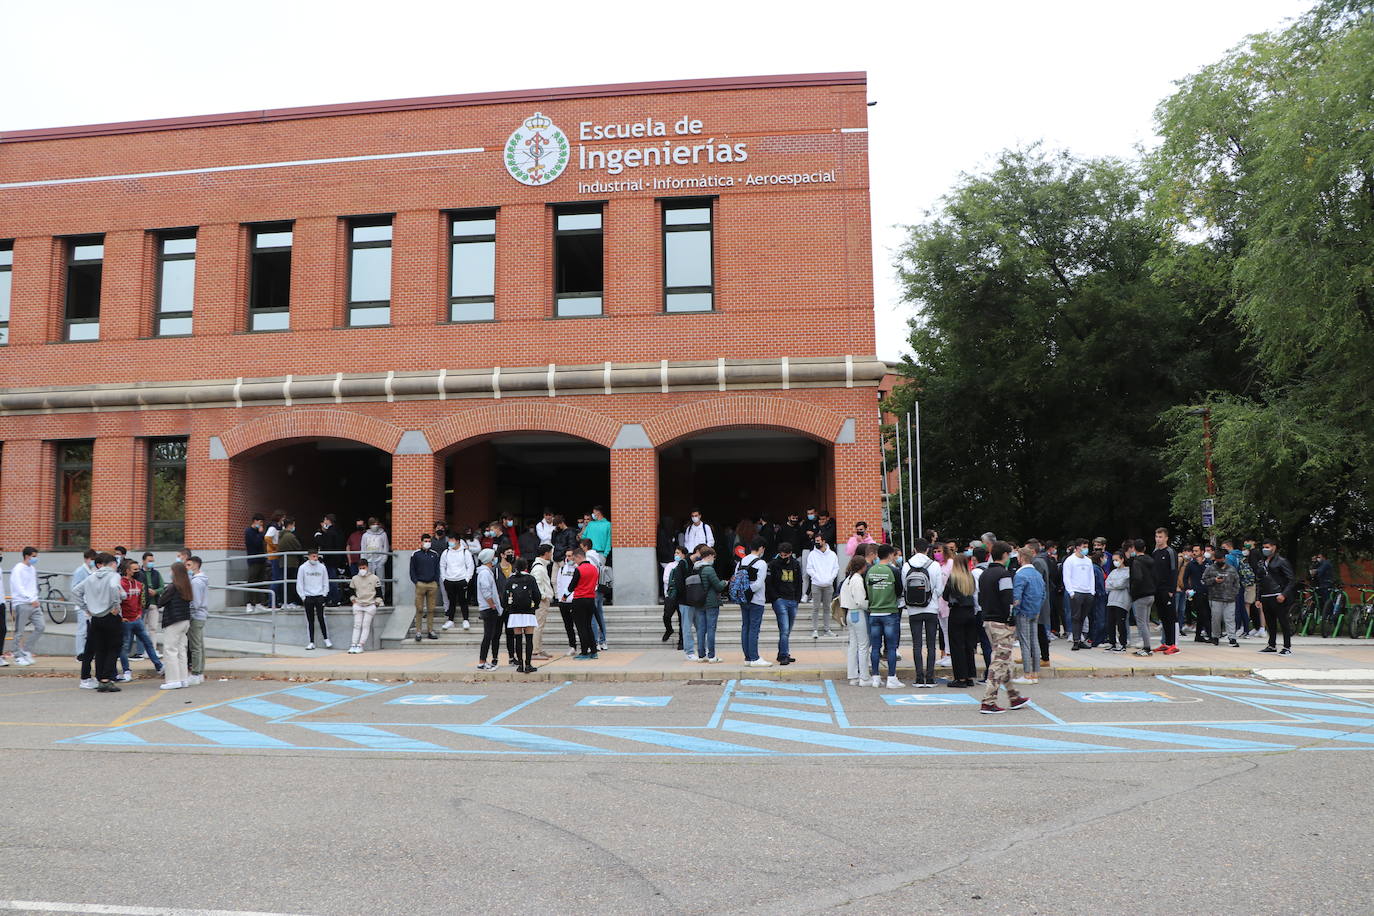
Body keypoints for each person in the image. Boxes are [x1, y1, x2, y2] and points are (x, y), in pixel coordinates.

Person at [978, 541, 1030, 714]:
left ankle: (1013, 696)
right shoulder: (1004, 575)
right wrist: (1011, 620)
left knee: (1004, 659)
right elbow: (1007, 599)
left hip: (988, 620)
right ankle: (988, 701)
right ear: (1006, 555)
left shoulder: (985, 574)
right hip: (1001, 622)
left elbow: (981, 598)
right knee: (1000, 661)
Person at [72, 552, 123, 692]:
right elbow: (114, 588)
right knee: (114, 647)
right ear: (113, 564)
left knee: (100, 649)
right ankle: (106, 679)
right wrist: (116, 606)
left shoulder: (91, 577)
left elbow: (75, 591)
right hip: (110, 615)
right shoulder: (114, 575)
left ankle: (101, 678)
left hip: (95, 617)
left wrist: (85, 608)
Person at [898, 538, 942, 686]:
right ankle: (930, 678)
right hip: (931, 608)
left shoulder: (906, 565)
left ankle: (918, 678)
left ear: (915, 549)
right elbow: (940, 588)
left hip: (913, 610)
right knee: (931, 644)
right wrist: (932, 597)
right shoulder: (934, 565)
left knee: (917, 644)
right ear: (928, 550)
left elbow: (905, 586)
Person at [116, 559, 161, 683]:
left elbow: (142, 602)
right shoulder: (121, 584)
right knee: (124, 647)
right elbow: (116, 601)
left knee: (148, 643)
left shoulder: (139, 584)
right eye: (135, 569)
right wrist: (120, 617)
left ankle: (159, 667)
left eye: (138, 569)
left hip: (137, 619)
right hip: (125, 621)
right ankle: (126, 671)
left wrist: (139, 614)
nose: (138, 571)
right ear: (127, 571)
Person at [865, 544, 903, 688]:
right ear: (891, 555)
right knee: (891, 647)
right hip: (889, 612)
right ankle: (891, 678)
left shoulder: (870, 570)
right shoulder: (893, 571)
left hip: (874, 612)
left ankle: (875, 677)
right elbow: (899, 591)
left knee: (875, 647)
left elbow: (867, 589)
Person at [155, 562, 195, 689]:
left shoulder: (172, 587)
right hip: (185, 620)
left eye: (171, 571)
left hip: (173, 620)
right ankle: (184, 678)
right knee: (181, 650)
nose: (170, 573)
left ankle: (173, 680)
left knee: (170, 650)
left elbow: (160, 602)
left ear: (175, 573)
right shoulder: (186, 586)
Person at [1011, 546, 1046, 685]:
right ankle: (1035, 674)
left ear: (1021, 558)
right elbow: (1043, 594)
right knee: (1034, 641)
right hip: (1035, 611)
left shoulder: (1020, 575)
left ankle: (1027, 674)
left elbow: (1017, 597)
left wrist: (1015, 610)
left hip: (1023, 611)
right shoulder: (1037, 574)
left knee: (1024, 642)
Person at [943, 555, 979, 688]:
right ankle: (970, 675)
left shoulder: (953, 578)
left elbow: (945, 595)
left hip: (957, 612)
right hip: (970, 612)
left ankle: (960, 677)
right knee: (969, 645)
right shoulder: (970, 577)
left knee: (957, 645)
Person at [766, 542, 803, 665]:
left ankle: (783, 652)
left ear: (790, 554)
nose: (783, 557)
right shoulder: (773, 564)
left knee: (787, 630)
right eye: (781, 555)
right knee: (785, 629)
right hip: (780, 600)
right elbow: (769, 583)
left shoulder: (796, 564)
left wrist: (797, 598)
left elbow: (799, 582)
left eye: (785, 555)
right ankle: (783, 655)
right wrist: (775, 598)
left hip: (792, 599)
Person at [1257, 539, 1296, 655]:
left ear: (1274, 547)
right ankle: (1271, 645)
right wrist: (1258, 598)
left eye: (1267, 547)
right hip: (1266, 596)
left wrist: (1284, 594)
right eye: (1264, 547)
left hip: (1278, 596)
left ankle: (1287, 646)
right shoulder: (1262, 562)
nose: (1265, 549)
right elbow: (1259, 580)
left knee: (1283, 621)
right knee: (1270, 622)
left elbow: (1291, 580)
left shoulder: (1281, 561)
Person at [688, 546, 726, 663]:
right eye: (713, 556)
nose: (713, 559)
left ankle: (701, 655)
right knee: (710, 629)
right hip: (710, 602)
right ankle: (712, 656)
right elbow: (718, 586)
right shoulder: (709, 569)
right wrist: (725, 582)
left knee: (700, 629)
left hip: (698, 601)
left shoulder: (695, 568)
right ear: (709, 556)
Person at [503, 558, 540, 674]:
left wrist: (508, 608)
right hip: (528, 611)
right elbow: (537, 595)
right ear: (526, 567)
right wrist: (535, 607)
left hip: (514, 612)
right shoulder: (530, 579)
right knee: (529, 639)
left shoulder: (510, 580)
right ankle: (528, 664)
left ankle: (520, 664)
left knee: (517, 639)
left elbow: (504, 597)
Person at [738, 538, 770, 667]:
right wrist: (749, 590)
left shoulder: (741, 560)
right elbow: (759, 583)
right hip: (756, 599)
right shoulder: (761, 563)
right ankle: (754, 657)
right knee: (754, 629)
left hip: (743, 599)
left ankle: (747, 657)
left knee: (745, 627)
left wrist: (743, 592)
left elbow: (737, 578)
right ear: (761, 548)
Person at [839, 554, 870, 686]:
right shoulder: (857, 579)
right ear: (863, 567)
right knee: (863, 646)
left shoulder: (848, 579)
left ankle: (853, 676)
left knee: (853, 645)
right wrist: (869, 606)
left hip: (849, 613)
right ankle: (864, 677)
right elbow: (861, 601)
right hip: (858, 613)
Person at [566, 547, 602, 660]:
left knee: (581, 627)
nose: (574, 561)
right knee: (588, 626)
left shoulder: (579, 569)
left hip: (579, 600)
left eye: (574, 558)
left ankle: (584, 652)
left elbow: (571, 586)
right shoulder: (594, 569)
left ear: (579, 556)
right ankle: (594, 651)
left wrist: (563, 596)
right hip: (591, 599)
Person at [9, 547, 42, 666]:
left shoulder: (32, 569)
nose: (35, 558)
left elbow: (33, 585)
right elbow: (19, 586)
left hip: (34, 603)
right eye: (34, 556)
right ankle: (17, 655)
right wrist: (30, 598)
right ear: (27, 556)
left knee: (41, 626)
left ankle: (26, 650)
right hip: (21, 603)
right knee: (19, 631)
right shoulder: (18, 569)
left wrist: (35, 598)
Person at [1125, 540, 1157, 657]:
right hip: (1151, 594)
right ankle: (1147, 645)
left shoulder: (1136, 562)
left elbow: (1137, 578)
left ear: (1134, 548)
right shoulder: (1151, 560)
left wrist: (1133, 591)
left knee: (1141, 622)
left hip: (1140, 595)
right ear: (1144, 548)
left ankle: (1147, 648)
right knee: (1146, 622)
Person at [296, 548, 332, 649]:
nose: (315, 558)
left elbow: (325, 581)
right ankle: (311, 641)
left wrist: (324, 594)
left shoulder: (322, 567)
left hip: (319, 596)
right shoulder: (303, 568)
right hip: (308, 596)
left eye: (316, 556)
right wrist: (303, 597)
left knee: (321, 618)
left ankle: (326, 639)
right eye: (313, 556)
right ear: (308, 556)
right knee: (310, 620)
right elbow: (300, 583)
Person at [1062, 539, 1095, 650]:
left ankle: (1080, 639)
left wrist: (1092, 591)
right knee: (1076, 617)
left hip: (1087, 593)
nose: (1086, 549)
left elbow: (1091, 577)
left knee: (1083, 617)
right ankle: (1076, 640)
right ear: (1077, 548)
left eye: (1086, 546)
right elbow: (1066, 577)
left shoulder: (1088, 561)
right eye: (1083, 546)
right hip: (1076, 592)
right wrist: (1071, 592)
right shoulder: (1070, 560)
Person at [1151, 528, 1180, 654]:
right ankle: (1166, 643)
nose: (1158, 539)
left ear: (1166, 538)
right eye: (1157, 536)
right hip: (1157, 589)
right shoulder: (1155, 552)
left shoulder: (1170, 552)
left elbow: (1174, 571)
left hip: (1167, 589)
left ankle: (1174, 644)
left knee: (1171, 616)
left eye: (1160, 536)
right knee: (1163, 617)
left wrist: (1171, 589)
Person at [1202, 551, 1241, 647]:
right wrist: (1214, 580)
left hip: (1230, 598)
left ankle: (1232, 638)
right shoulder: (1210, 569)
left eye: (1221, 559)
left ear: (1224, 559)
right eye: (1217, 560)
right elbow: (1203, 581)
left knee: (1230, 618)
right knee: (1216, 618)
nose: (1220, 561)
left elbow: (1237, 582)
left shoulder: (1231, 569)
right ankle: (1215, 637)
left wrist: (1234, 593)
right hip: (1215, 598)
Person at [805, 535, 839, 639]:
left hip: (828, 585)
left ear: (824, 541)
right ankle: (814, 630)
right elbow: (809, 568)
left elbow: (836, 568)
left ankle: (827, 629)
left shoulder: (832, 555)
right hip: (816, 584)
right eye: (815, 541)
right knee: (815, 608)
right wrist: (816, 577)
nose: (816, 543)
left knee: (827, 608)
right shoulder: (812, 554)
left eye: (818, 541)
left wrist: (831, 579)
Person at [474, 548, 503, 669]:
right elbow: (486, 591)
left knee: (489, 635)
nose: (495, 559)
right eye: (493, 557)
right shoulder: (485, 573)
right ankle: (482, 661)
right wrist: (492, 605)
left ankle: (483, 660)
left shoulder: (486, 572)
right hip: (488, 608)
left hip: (489, 607)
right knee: (488, 636)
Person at [440, 531, 475, 631]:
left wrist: (467, 579)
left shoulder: (465, 552)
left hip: (461, 580)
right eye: (449, 540)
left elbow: (470, 566)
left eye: (452, 540)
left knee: (463, 600)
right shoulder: (446, 552)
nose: (450, 542)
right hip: (449, 580)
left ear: (458, 541)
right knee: (451, 601)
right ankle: (450, 620)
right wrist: (444, 578)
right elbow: (442, 566)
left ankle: (465, 620)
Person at [410, 534, 441, 642]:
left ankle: (430, 630)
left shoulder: (435, 554)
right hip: (420, 584)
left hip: (432, 584)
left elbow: (438, 569)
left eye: (429, 541)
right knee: (419, 609)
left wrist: (436, 582)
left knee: (431, 609)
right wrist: (416, 581)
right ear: (421, 542)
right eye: (425, 541)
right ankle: (418, 631)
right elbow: (412, 569)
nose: (427, 542)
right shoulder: (415, 554)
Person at [348, 559, 383, 653]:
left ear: (367, 567)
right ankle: (353, 644)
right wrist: (353, 600)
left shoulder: (374, 578)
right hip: (358, 604)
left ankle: (360, 645)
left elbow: (379, 593)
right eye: (360, 568)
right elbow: (351, 591)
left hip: (370, 604)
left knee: (365, 625)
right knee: (357, 625)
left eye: (364, 568)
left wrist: (376, 603)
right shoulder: (355, 578)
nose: (362, 569)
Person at [186, 556, 210, 685]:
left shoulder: (196, 582)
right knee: (199, 645)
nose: (187, 568)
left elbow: (195, 602)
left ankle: (196, 673)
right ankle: (199, 672)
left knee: (195, 646)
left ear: (195, 565)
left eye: (189, 565)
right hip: (201, 614)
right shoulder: (201, 580)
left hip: (196, 615)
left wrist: (190, 612)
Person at [70, 549, 97, 664]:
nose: (93, 562)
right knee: (82, 630)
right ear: (86, 559)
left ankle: (88, 651)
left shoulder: (92, 570)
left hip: (91, 605)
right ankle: (80, 653)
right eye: (91, 559)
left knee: (89, 630)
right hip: (82, 605)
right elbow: (75, 588)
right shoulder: (80, 571)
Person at [313, 514, 345, 605]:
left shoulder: (330, 532)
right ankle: (334, 599)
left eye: (325, 520)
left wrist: (318, 536)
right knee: (332, 578)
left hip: (330, 559)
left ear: (328, 520)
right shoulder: (338, 530)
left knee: (331, 579)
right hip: (336, 558)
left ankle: (334, 599)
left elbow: (326, 544)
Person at [530, 544, 555, 660]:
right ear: (546, 553)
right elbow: (537, 584)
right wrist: (544, 597)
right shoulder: (539, 568)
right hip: (541, 601)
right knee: (538, 626)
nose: (551, 554)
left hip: (542, 600)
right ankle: (535, 652)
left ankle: (539, 648)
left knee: (540, 625)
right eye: (550, 552)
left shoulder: (541, 566)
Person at [1183, 545, 1211, 643]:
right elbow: (1185, 578)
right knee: (1203, 613)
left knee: (1204, 614)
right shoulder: (1191, 564)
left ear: (1202, 552)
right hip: (1196, 592)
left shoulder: (1208, 563)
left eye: (1196, 551)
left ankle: (1198, 635)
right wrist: (1187, 589)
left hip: (1207, 591)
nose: (1194, 553)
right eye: (1193, 551)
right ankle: (1210, 634)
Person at [1104, 550, 1131, 652]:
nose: (1115, 562)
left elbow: (1122, 584)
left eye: (1116, 560)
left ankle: (1123, 644)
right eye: (1113, 560)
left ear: (1122, 559)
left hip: (1122, 601)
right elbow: (1107, 584)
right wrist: (1114, 584)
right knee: (1110, 623)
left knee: (1121, 624)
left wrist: (1113, 584)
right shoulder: (1113, 572)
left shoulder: (1128, 571)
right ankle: (1112, 643)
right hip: (1111, 601)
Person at [554, 549, 579, 657]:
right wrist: (560, 598)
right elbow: (559, 584)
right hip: (564, 602)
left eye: (570, 555)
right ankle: (572, 646)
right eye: (567, 556)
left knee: (579, 624)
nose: (568, 558)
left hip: (575, 600)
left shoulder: (578, 568)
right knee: (568, 625)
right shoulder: (562, 568)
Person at [137, 552, 164, 650]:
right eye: (149, 561)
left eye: (152, 561)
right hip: (142, 605)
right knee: (141, 628)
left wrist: (155, 592)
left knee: (153, 628)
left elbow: (162, 587)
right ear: (143, 561)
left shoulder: (156, 573)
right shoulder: (138, 573)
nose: (151, 563)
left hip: (154, 604)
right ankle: (141, 650)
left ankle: (152, 649)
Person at [360, 518, 391, 604]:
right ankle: (369, 598)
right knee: (368, 581)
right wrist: (363, 562)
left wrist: (383, 560)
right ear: (369, 525)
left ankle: (380, 598)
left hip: (379, 561)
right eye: (373, 524)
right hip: (369, 561)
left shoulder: (383, 534)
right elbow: (363, 549)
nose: (375, 525)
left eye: (377, 523)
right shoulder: (365, 535)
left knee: (380, 581)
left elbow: (386, 548)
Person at [276, 518, 303, 607]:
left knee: (285, 582)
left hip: (282, 562)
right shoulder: (290, 536)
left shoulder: (280, 535)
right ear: (290, 525)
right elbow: (298, 547)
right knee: (291, 583)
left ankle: (284, 601)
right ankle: (290, 601)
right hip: (291, 562)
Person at [264, 512, 284, 608]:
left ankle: (276, 601)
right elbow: (267, 538)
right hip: (274, 555)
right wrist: (274, 547)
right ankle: (272, 602)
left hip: (277, 555)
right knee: (276, 578)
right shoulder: (273, 527)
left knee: (279, 578)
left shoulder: (279, 527)